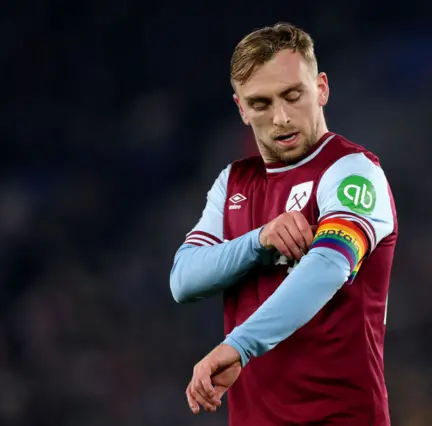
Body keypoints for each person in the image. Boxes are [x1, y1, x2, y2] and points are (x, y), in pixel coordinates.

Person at [170, 22, 398, 426]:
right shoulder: (233, 183)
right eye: (260, 104)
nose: (280, 118)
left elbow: (327, 267)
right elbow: (184, 279)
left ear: (321, 89)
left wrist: (239, 346)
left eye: (293, 96)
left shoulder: (353, 172)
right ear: (241, 108)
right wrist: (259, 240)